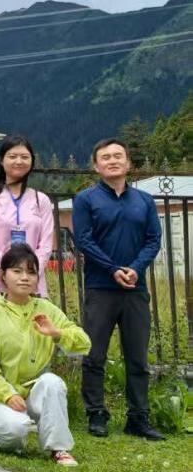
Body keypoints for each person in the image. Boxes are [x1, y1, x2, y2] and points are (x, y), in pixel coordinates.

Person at [72, 138, 164, 440]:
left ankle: (138, 417)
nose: (112, 161)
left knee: (137, 357)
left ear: (128, 163)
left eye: (117, 156)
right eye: (105, 157)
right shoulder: (85, 199)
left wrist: (135, 268)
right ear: (96, 166)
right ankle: (96, 413)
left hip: (135, 288)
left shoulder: (145, 201)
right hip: (100, 287)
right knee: (94, 354)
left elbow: (153, 239)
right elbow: (84, 240)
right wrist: (113, 269)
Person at [0, 244, 90, 466]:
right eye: (17, 271)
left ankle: (59, 448)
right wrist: (7, 395)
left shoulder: (46, 309)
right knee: (14, 431)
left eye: (31, 272)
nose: (24, 277)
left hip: (33, 391)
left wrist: (57, 333)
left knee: (52, 382)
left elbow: (84, 342)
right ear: (3, 275)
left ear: (38, 278)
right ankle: (11, 435)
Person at [0, 135, 55, 311]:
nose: (19, 161)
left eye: (25, 157)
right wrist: (8, 273)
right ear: (1, 160)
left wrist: (29, 273)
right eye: (12, 156)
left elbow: (46, 245)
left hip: (31, 287)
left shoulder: (41, 200)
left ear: (32, 162)